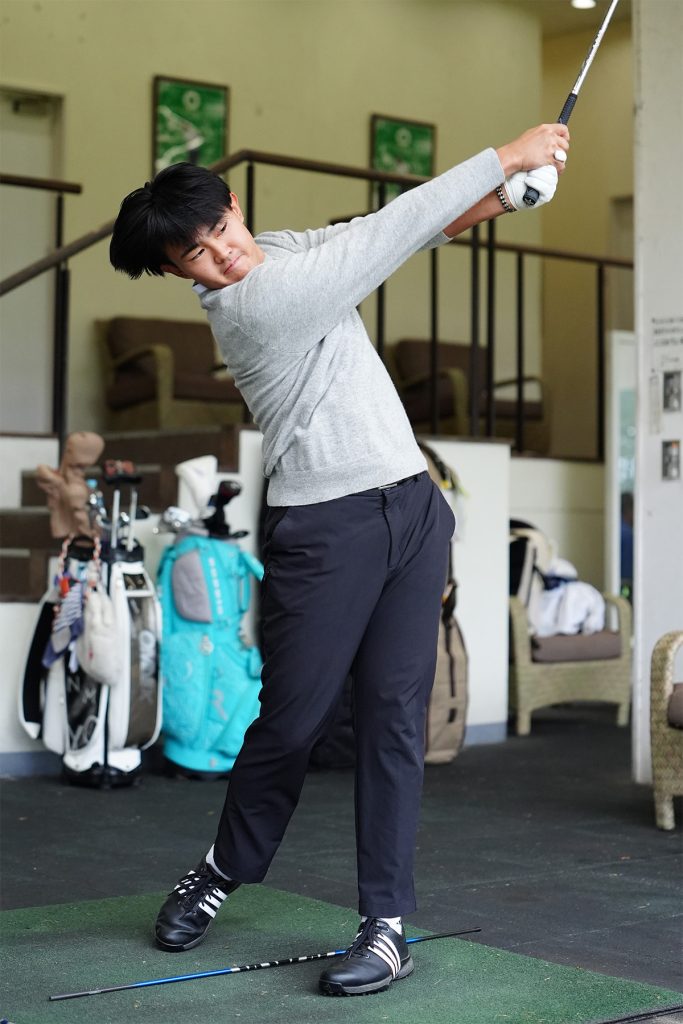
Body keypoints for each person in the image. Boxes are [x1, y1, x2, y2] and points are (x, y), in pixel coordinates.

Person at [110, 121, 569, 997]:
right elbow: (385, 235)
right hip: (325, 528)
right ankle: (222, 868)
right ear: (176, 272)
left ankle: (385, 926)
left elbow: (397, 229)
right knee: (292, 721)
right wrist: (507, 155)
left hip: (411, 510)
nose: (223, 255)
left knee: (394, 721)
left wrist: (505, 199)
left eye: (222, 231)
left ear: (235, 206)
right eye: (197, 255)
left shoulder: (279, 252)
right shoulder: (252, 308)